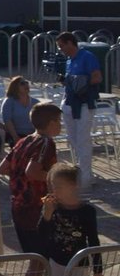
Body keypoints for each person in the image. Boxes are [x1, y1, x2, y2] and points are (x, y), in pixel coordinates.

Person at [0, 103, 62, 276]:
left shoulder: (22, 141)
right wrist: (57, 177)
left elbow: (3, 168)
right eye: (59, 122)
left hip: (19, 208)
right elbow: (32, 171)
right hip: (37, 210)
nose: (61, 126)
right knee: (49, 266)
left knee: (36, 264)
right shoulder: (46, 143)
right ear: (51, 123)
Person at [39, 162, 103, 276]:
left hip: (79, 265)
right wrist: (47, 214)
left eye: (59, 187)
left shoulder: (87, 211)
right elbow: (41, 234)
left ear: (74, 186)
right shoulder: (52, 207)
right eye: (52, 186)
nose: (54, 191)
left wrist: (98, 270)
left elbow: (94, 241)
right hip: (56, 263)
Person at [57, 32, 102, 190]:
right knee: (73, 139)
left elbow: (97, 77)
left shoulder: (87, 57)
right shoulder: (69, 60)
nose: (61, 49)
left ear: (70, 43)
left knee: (83, 140)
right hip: (70, 102)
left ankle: (85, 178)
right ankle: (84, 172)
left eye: (62, 46)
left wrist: (81, 81)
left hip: (83, 104)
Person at [0, 76, 37, 147]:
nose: (26, 85)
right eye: (22, 83)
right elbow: (7, 120)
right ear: (15, 87)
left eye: (26, 83)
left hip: (32, 135)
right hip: (15, 134)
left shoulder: (35, 102)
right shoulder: (9, 101)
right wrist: (16, 137)